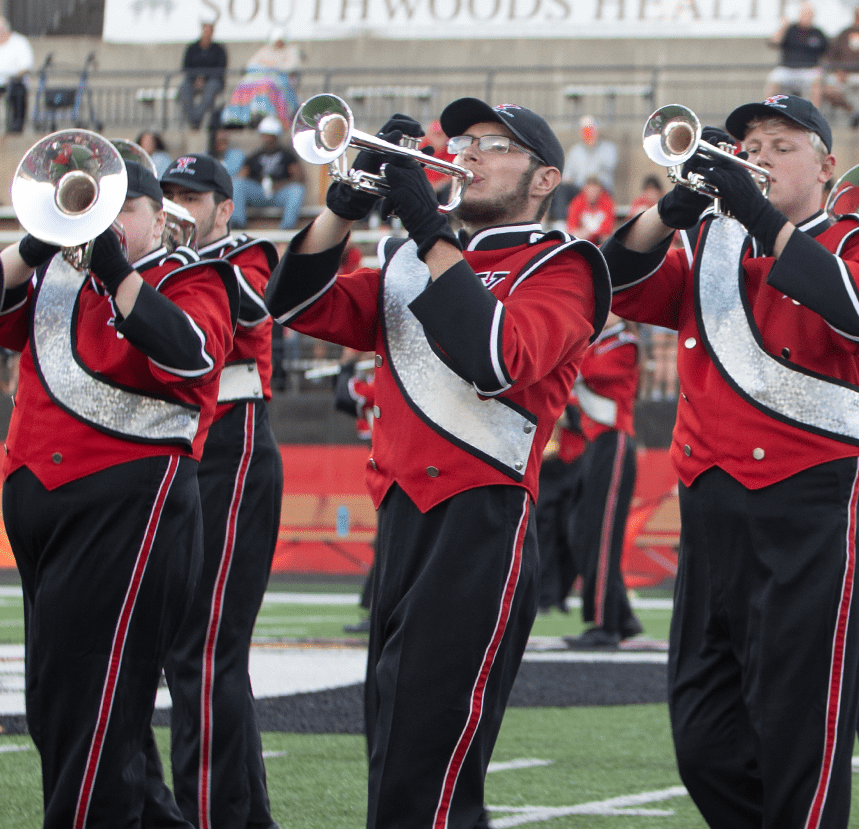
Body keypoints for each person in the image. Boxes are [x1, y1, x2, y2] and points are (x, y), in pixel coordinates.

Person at [267, 99, 604, 828]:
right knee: (393, 752)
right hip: (401, 520)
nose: (468, 154)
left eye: (494, 145)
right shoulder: (407, 263)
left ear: (544, 178)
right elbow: (289, 304)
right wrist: (345, 204)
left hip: (480, 519)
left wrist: (428, 227)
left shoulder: (566, 264)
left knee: (433, 766)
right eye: (463, 141)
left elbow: (495, 359)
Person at [600, 94, 859, 829]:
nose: (759, 156)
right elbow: (609, 280)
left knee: (799, 730)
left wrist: (763, 219)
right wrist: (669, 212)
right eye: (749, 146)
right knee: (703, 737)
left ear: (827, 166)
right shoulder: (710, 244)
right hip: (710, 504)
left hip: (810, 503)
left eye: (780, 145)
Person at [0, 155, 230, 827]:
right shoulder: (53, 281)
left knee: (93, 709)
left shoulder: (194, 275)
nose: (107, 219)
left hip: (130, 507)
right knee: (58, 706)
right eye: (98, 203)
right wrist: (39, 239)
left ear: (160, 218)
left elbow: (189, 353)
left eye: (124, 207)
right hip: (42, 507)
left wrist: (113, 267)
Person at [147, 150, 283, 829]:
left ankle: (214, 817)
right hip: (177, 449)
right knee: (179, 648)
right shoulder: (159, 268)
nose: (176, 207)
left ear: (223, 210)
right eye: (166, 195)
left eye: (190, 198)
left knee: (203, 649)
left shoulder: (245, 255)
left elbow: (253, 306)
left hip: (232, 448)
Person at [544, 317, 643, 648]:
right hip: (595, 445)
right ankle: (621, 616)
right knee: (581, 530)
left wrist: (566, 348)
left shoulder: (624, 343)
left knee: (601, 535)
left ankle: (605, 623)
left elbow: (591, 373)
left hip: (613, 442)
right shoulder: (597, 345)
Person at [233, 118, 304, 230]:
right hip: (259, 193)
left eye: (271, 136)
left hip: (279, 193)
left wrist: (278, 185)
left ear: (276, 137)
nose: (267, 139)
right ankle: (237, 224)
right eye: (265, 135)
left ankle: (287, 228)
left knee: (297, 190)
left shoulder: (287, 155)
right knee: (237, 184)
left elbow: (299, 178)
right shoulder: (254, 156)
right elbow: (241, 176)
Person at [235, 29, 301, 128]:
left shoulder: (291, 50)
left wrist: (273, 67)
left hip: (282, 83)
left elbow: (290, 66)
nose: (278, 43)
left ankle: (287, 116)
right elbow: (251, 65)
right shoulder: (265, 50)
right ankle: (244, 117)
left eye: (280, 41)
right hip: (263, 83)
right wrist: (268, 68)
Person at [558, 116, 617, 223]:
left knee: (593, 187)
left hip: (601, 187)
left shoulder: (608, 148)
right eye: (585, 131)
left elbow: (608, 166)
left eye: (591, 130)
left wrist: (592, 147)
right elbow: (567, 174)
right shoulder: (575, 151)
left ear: (597, 131)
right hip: (580, 188)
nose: (588, 134)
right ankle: (560, 222)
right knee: (561, 189)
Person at [768, 3, 830, 98]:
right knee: (773, 79)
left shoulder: (818, 33)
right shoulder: (789, 29)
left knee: (817, 81)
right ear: (799, 14)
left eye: (810, 14)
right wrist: (782, 27)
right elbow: (773, 43)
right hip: (787, 69)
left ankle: (813, 112)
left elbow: (827, 52)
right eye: (805, 14)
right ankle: (769, 110)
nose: (807, 17)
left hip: (809, 70)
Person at [181, 20, 229, 131]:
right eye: (205, 30)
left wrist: (204, 78)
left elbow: (221, 68)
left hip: (213, 80)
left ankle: (195, 119)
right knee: (184, 87)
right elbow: (186, 66)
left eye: (209, 31)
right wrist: (196, 78)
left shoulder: (218, 49)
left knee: (211, 88)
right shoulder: (192, 48)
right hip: (193, 81)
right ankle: (193, 119)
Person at [567, 178, 617, 242]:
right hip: (583, 239)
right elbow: (571, 227)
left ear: (600, 190)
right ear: (584, 190)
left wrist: (591, 232)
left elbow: (608, 227)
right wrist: (583, 233)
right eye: (590, 191)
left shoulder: (607, 202)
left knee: (608, 237)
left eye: (595, 191)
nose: (592, 194)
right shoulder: (577, 202)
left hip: (600, 238)